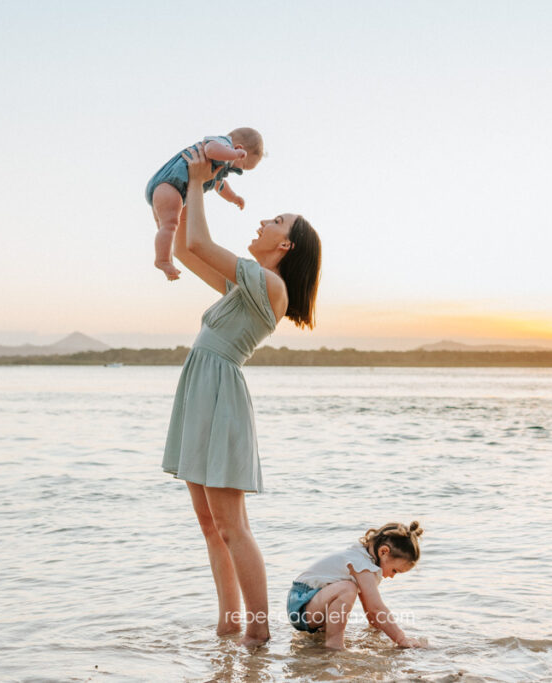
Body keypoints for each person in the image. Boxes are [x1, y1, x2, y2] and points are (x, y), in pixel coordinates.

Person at [162, 143, 321, 648]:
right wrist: (188, 198)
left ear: (287, 244)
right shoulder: (245, 286)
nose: (263, 223)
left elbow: (203, 242)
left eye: (275, 221)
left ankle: (258, 631)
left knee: (232, 526)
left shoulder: (269, 285)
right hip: (201, 390)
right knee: (211, 524)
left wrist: (197, 178)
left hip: (221, 394)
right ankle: (228, 624)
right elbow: (188, 250)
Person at [146, 127, 264, 280]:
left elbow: (220, 186)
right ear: (239, 148)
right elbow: (210, 149)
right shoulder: (221, 144)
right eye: (242, 167)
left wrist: (234, 197)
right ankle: (162, 260)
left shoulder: (219, 165)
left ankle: (166, 258)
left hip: (171, 191)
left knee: (167, 229)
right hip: (169, 184)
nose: (238, 171)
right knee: (169, 225)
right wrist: (233, 154)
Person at [287, 521, 427, 650]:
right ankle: (334, 644)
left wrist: (375, 632)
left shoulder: (364, 561)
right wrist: (400, 638)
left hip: (310, 604)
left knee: (348, 588)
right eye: (395, 570)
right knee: (348, 588)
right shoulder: (361, 564)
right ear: (383, 552)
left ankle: (322, 634)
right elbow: (376, 608)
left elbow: (371, 610)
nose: (392, 576)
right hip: (301, 605)